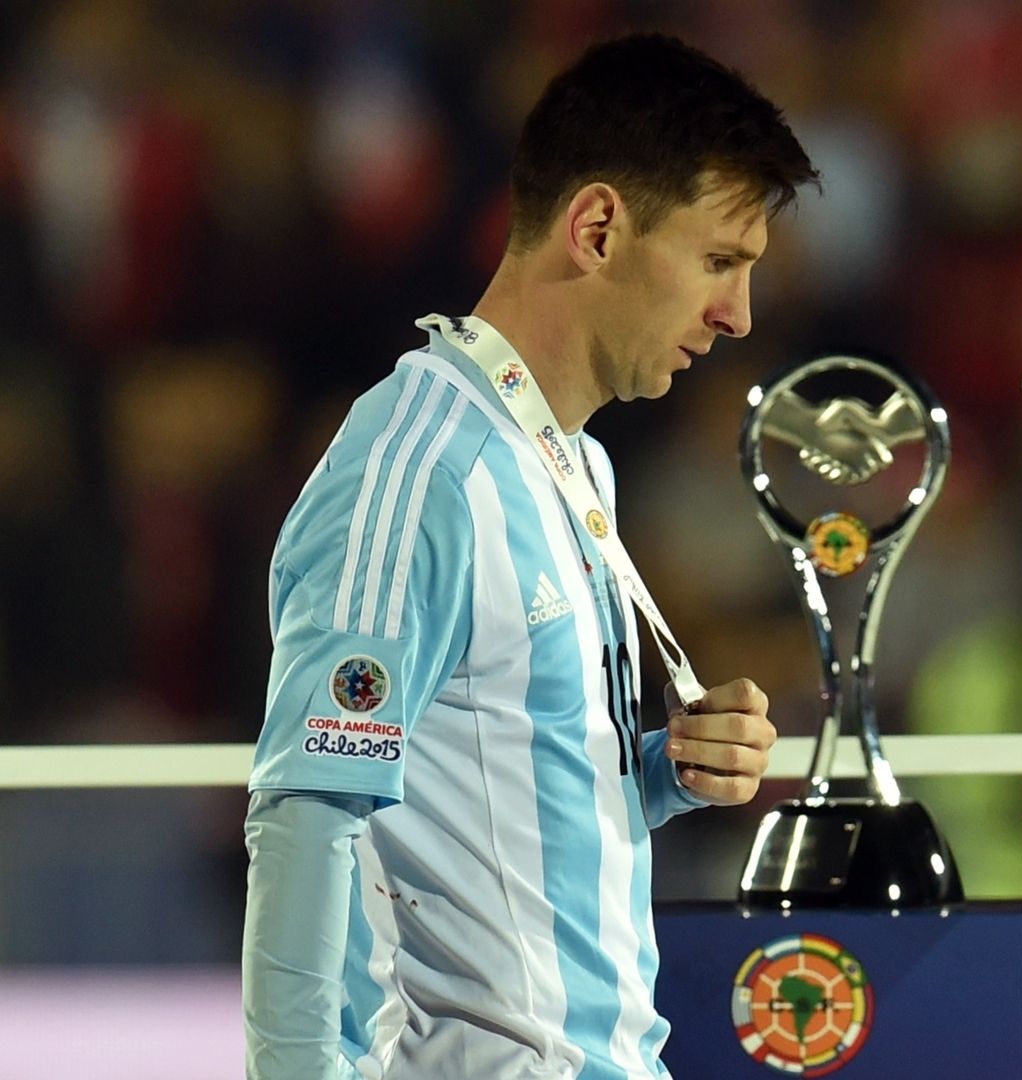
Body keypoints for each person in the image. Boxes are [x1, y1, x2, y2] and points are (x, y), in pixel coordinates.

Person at [241, 33, 817, 1079]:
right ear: (598, 228)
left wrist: (663, 776)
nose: (737, 315)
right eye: (719, 262)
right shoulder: (419, 475)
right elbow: (309, 815)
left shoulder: (574, 466)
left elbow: (493, 792)